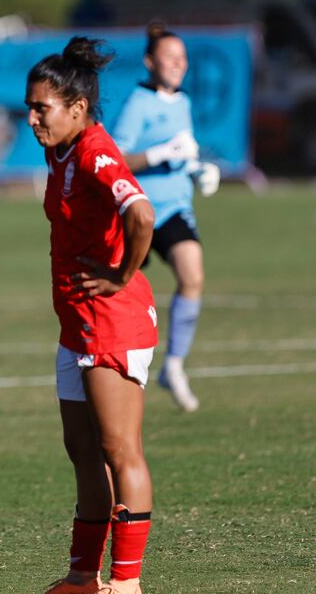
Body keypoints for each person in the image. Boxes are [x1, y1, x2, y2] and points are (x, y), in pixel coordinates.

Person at [25, 37, 157, 594]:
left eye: (41, 108)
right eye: (29, 107)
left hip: (113, 321)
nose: (32, 119)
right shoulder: (60, 151)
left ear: (77, 109)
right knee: (82, 451)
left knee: (119, 449)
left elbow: (142, 215)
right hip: (76, 324)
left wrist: (122, 275)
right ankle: (84, 576)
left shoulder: (96, 152)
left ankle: (126, 583)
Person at [111, 23, 219, 412]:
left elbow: (182, 154)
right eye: (169, 57)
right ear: (149, 62)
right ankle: (110, 365)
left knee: (193, 275)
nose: (177, 64)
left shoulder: (184, 103)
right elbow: (115, 160)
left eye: (182, 58)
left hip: (175, 210)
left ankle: (173, 365)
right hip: (137, 211)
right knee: (117, 288)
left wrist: (197, 170)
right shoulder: (137, 103)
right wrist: (157, 154)